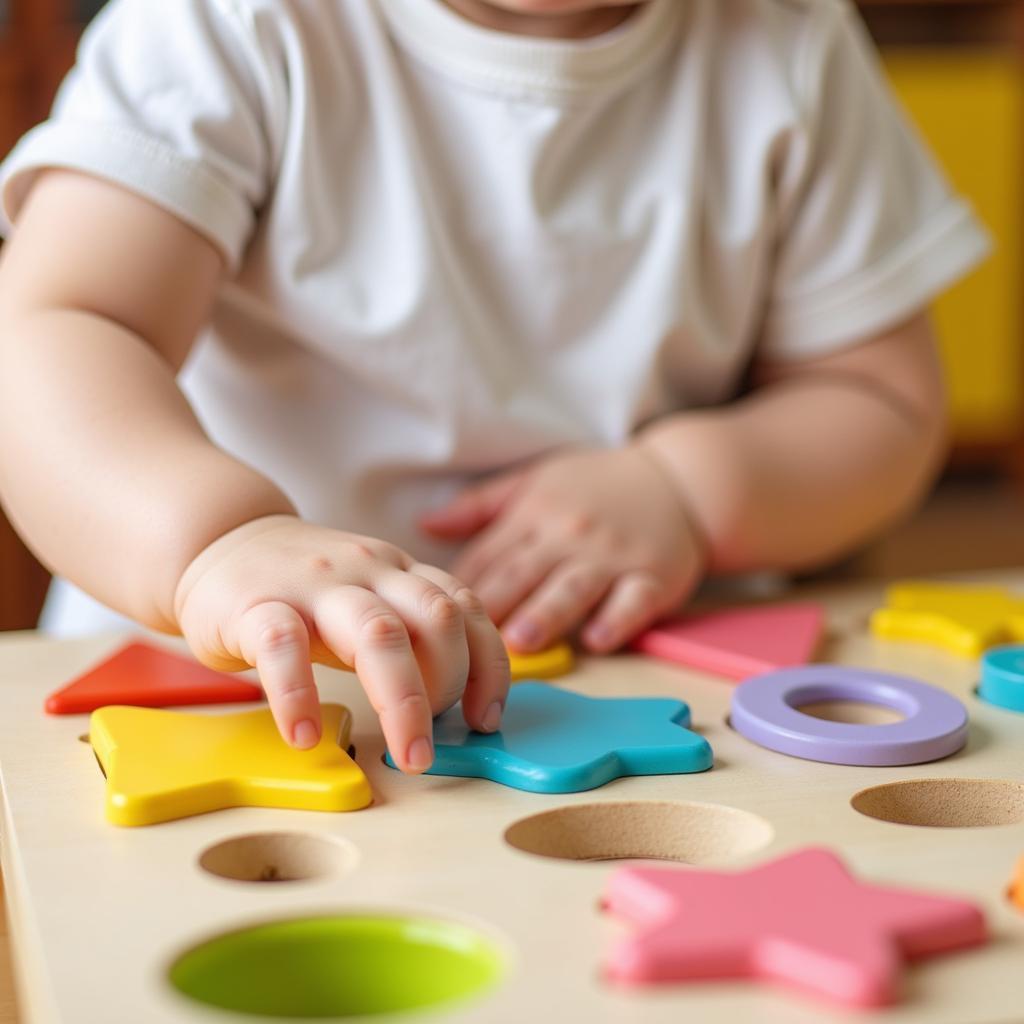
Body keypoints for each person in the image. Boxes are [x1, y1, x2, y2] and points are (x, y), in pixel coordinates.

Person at [0, 0, 988, 773]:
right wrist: (214, 542)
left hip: (635, 693)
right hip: (224, 690)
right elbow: (55, 329)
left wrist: (688, 490)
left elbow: (881, 402)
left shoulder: (790, 44)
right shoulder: (233, 24)